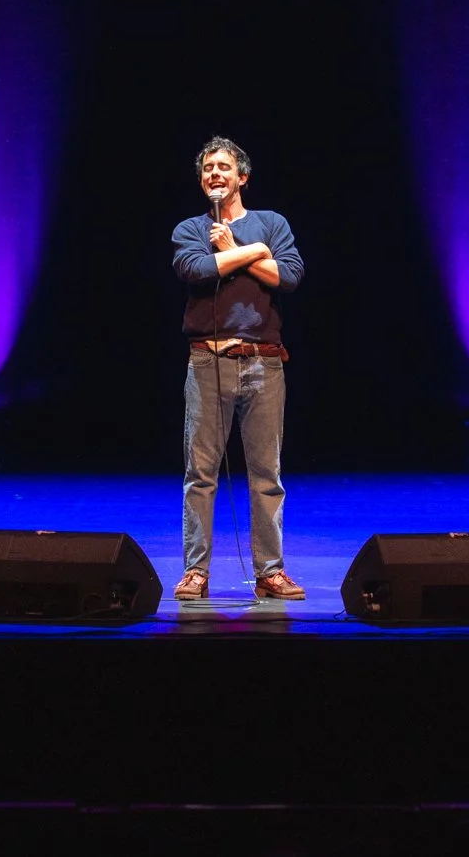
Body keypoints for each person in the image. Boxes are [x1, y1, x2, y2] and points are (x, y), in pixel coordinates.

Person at [170, 135, 305, 601]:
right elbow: (196, 269)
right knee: (200, 474)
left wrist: (236, 248)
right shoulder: (191, 228)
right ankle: (196, 571)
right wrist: (254, 252)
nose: (215, 174)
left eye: (224, 167)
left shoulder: (272, 223)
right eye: (208, 168)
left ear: (242, 177)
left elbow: (289, 276)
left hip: (264, 362)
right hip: (208, 361)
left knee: (267, 475)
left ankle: (271, 572)